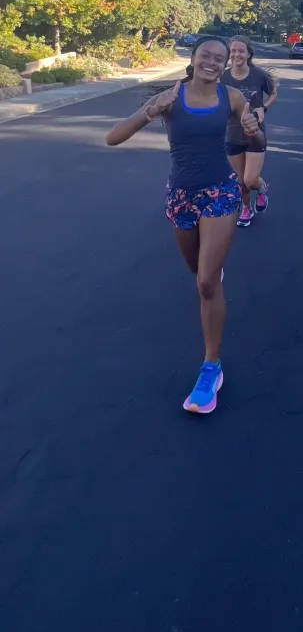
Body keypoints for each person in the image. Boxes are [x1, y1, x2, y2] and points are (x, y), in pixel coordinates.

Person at [106, 35, 265, 414]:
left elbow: (257, 140)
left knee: (207, 283)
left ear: (225, 65)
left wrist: (251, 129)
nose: (212, 62)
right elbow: (113, 138)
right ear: (192, 59)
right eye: (206, 55)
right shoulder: (170, 98)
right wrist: (150, 111)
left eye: (219, 58)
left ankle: (212, 367)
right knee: (197, 272)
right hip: (180, 196)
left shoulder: (232, 98)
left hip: (221, 192)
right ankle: (211, 271)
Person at [222, 36, 278, 227]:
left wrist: (264, 107)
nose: (236, 54)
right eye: (233, 51)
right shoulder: (223, 77)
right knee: (239, 181)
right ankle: (246, 208)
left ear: (248, 53)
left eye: (241, 51)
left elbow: (273, 93)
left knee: (250, 179)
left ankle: (261, 189)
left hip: (255, 134)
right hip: (232, 134)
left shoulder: (259, 75)